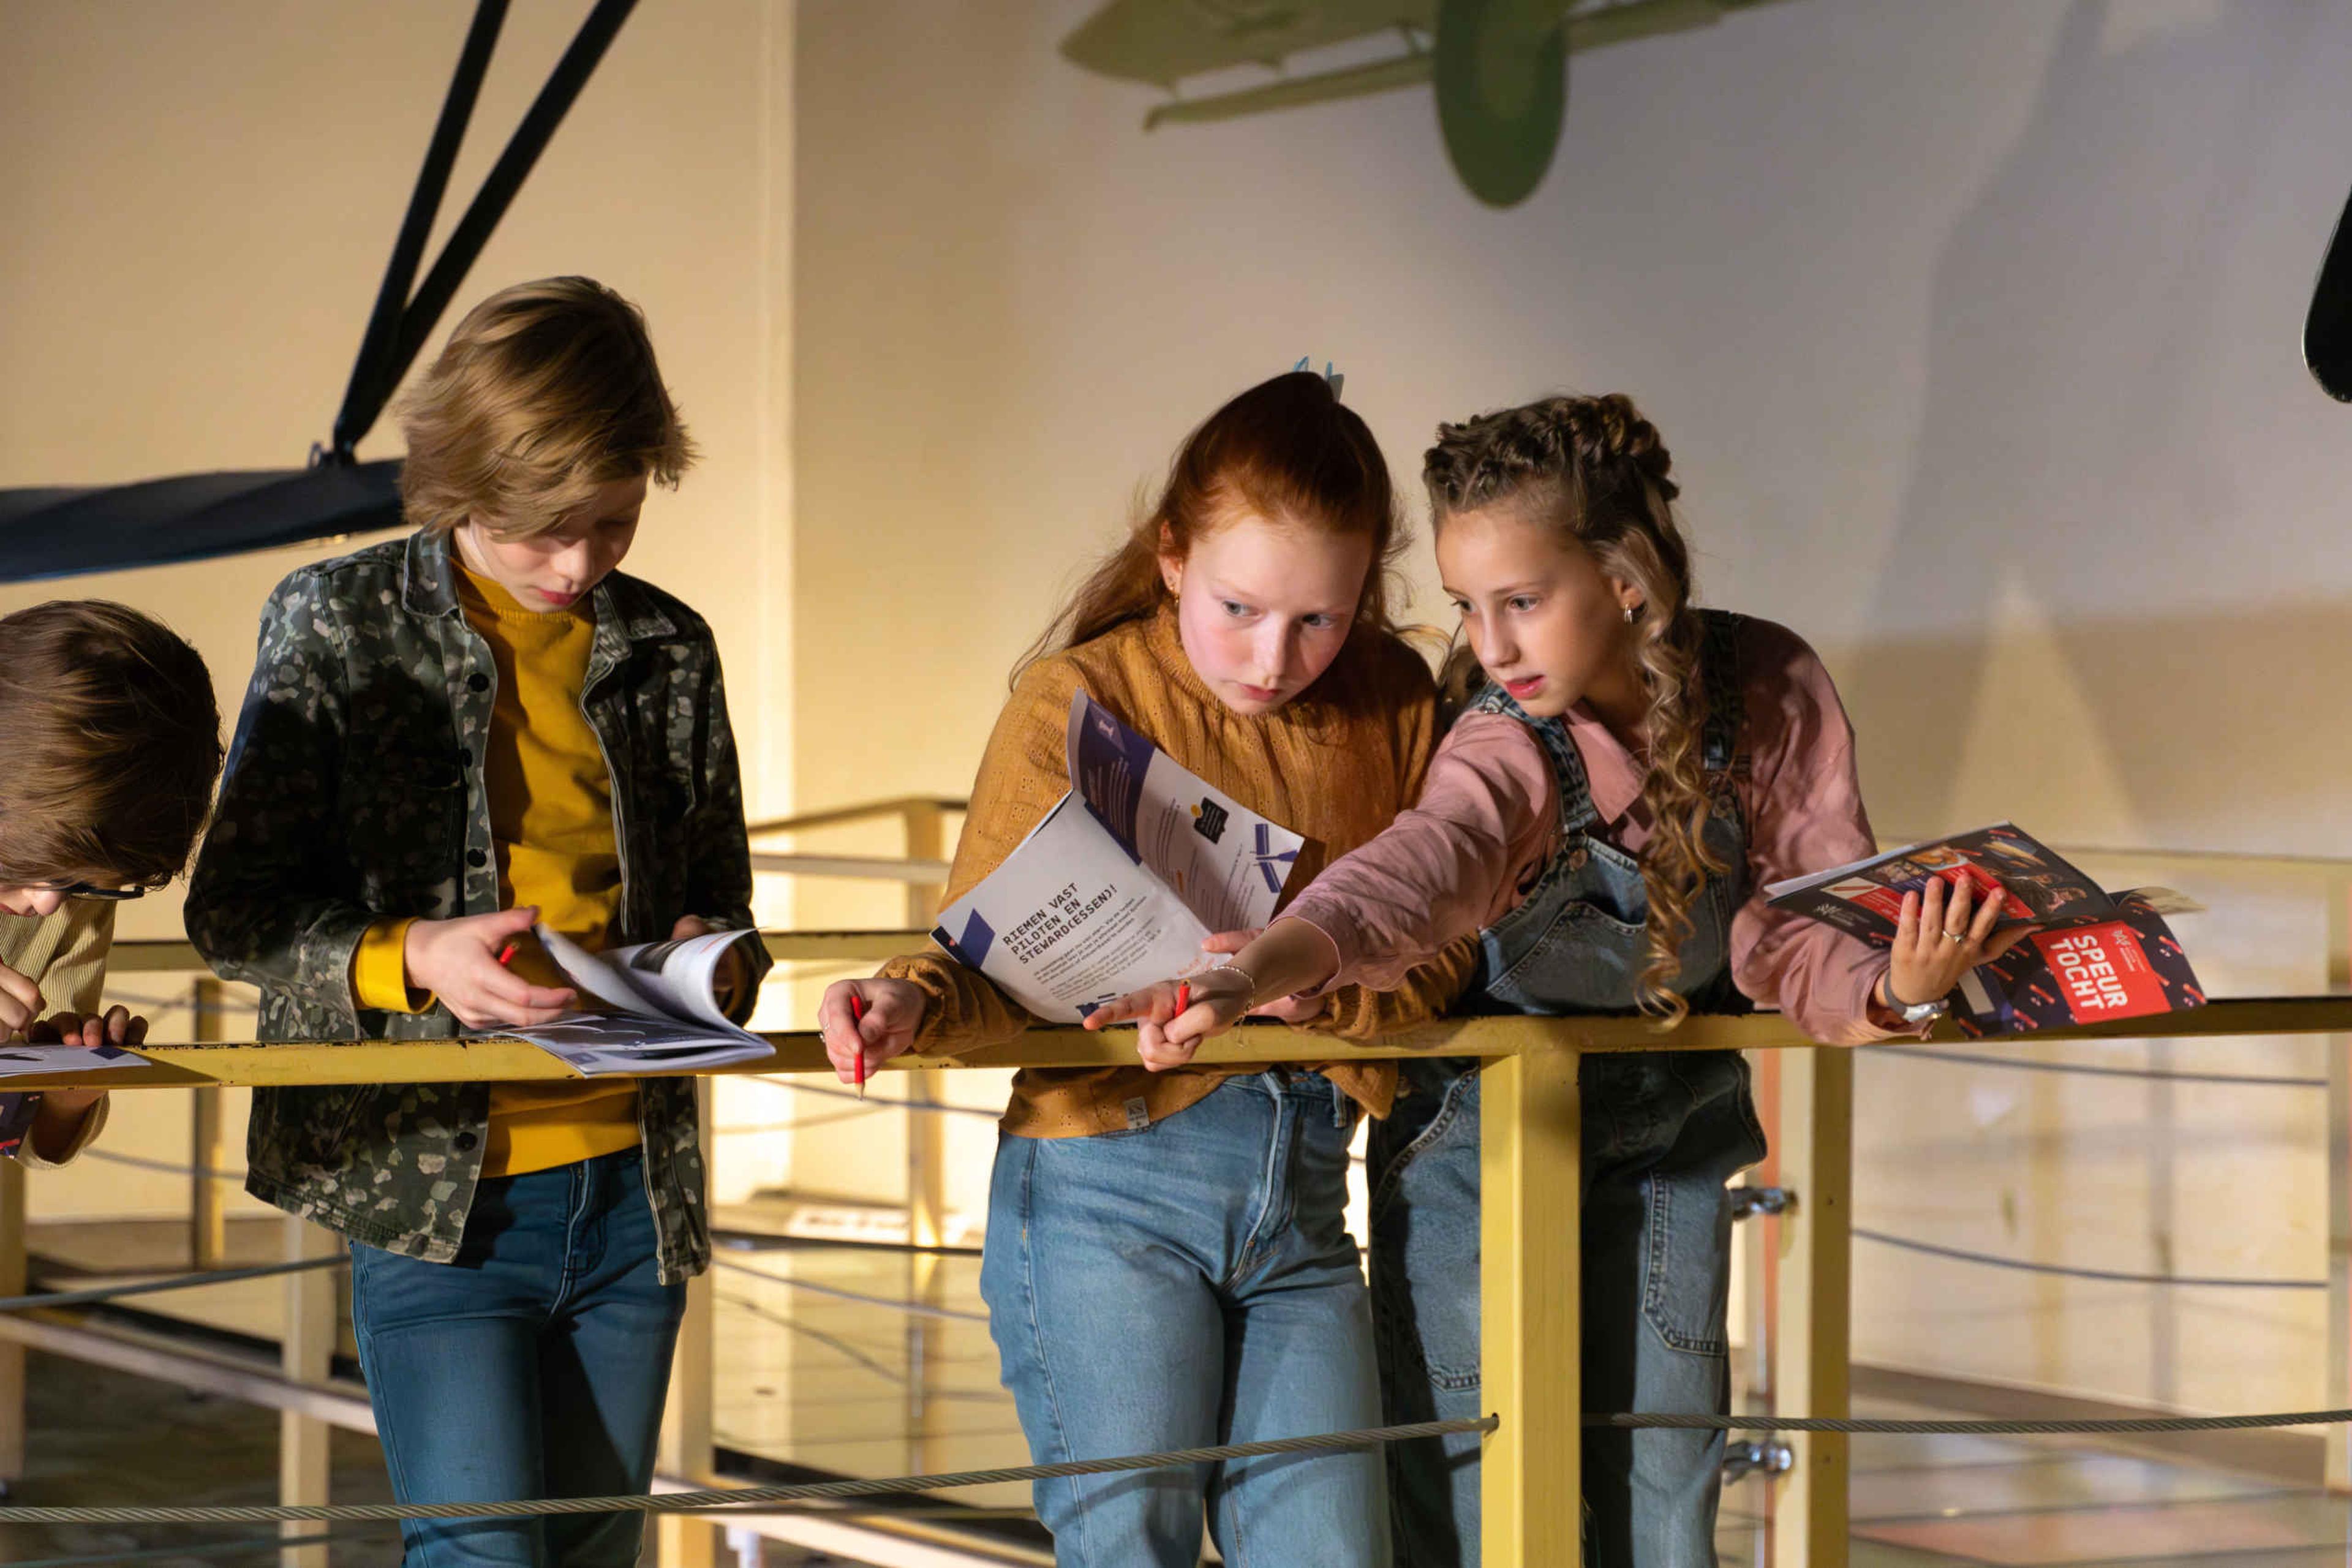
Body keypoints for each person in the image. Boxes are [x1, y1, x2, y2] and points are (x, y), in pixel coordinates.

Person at [1093, 393, 2026, 1566]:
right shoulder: (1503, 738)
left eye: (1523, 602)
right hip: (1481, 1148)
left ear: (1627, 580)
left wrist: (1903, 987)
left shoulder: (1773, 685)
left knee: (1667, 1484)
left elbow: (1794, 930)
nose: (1490, 647)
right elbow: (1420, 871)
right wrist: (1266, 964)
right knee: (1476, 1502)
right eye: (1468, 607)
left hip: (1674, 1137)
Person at [818, 369, 1474, 1568]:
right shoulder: (1078, 694)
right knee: (1135, 1550)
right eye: (1240, 606)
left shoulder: (1393, 699)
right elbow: (982, 951)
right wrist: (904, 996)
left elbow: (1448, 954)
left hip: (1307, 1190)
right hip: (1104, 1184)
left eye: (1321, 618)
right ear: (1170, 555)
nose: (1276, 657)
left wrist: (1313, 987)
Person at [186, 276, 768, 1568]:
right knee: (480, 1560)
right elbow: (232, 913)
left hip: (633, 1194)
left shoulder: (672, 645)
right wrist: (410, 959)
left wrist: (706, 965)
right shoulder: (333, 619)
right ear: (459, 487)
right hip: (439, 1199)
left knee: (590, 1559)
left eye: (610, 526)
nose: (576, 566)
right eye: (538, 533)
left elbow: (729, 907)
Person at [0, 600, 222, 1166]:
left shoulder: (74, 900)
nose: (49, 903)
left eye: (79, 884)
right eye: (27, 861)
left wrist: (67, 1100)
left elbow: (34, 1145)